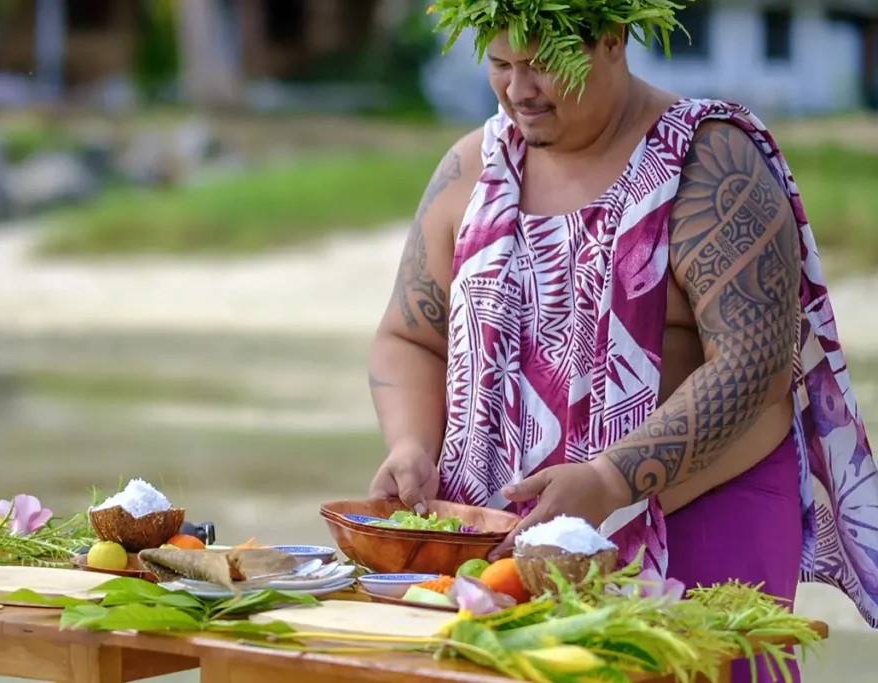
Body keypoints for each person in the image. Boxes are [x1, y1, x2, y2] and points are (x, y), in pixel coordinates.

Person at [367, 3, 878, 680]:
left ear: (611, 42)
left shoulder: (710, 161)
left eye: (543, 67)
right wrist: (408, 444)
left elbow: (756, 364)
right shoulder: (471, 169)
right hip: (509, 549)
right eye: (501, 66)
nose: (520, 90)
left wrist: (613, 479)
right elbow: (410, 335)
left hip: (700, 518)